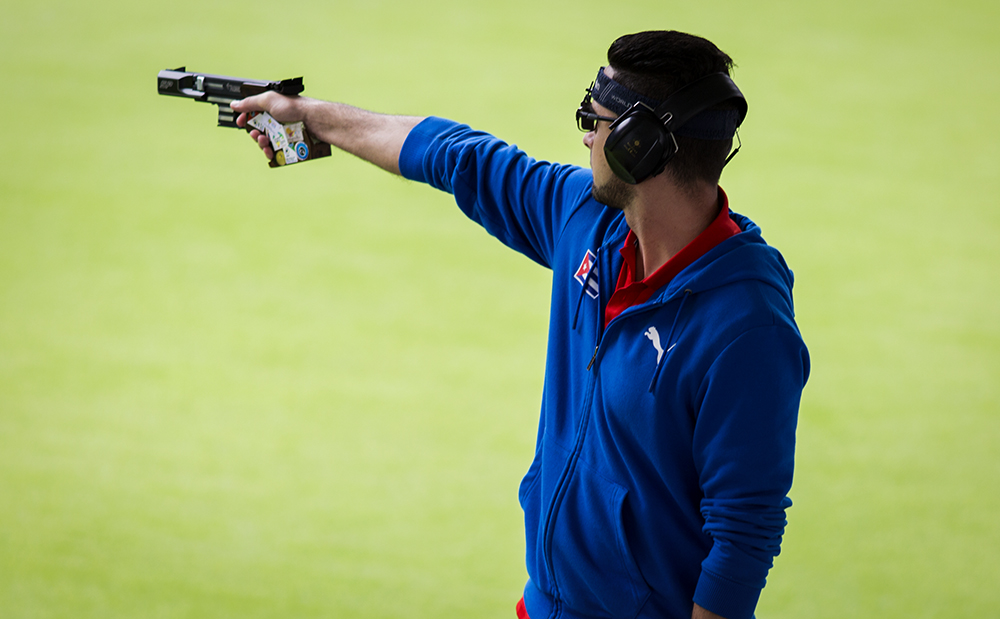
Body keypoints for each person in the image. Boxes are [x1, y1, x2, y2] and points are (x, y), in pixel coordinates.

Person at [232, 30, 809, 619]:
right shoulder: (587, 219)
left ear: (640, 146)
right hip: (545, 606)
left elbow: (743, 535)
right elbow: (459, 156)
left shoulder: (746, 327)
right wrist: (306, 118)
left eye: (595, 118)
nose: (585, 135)